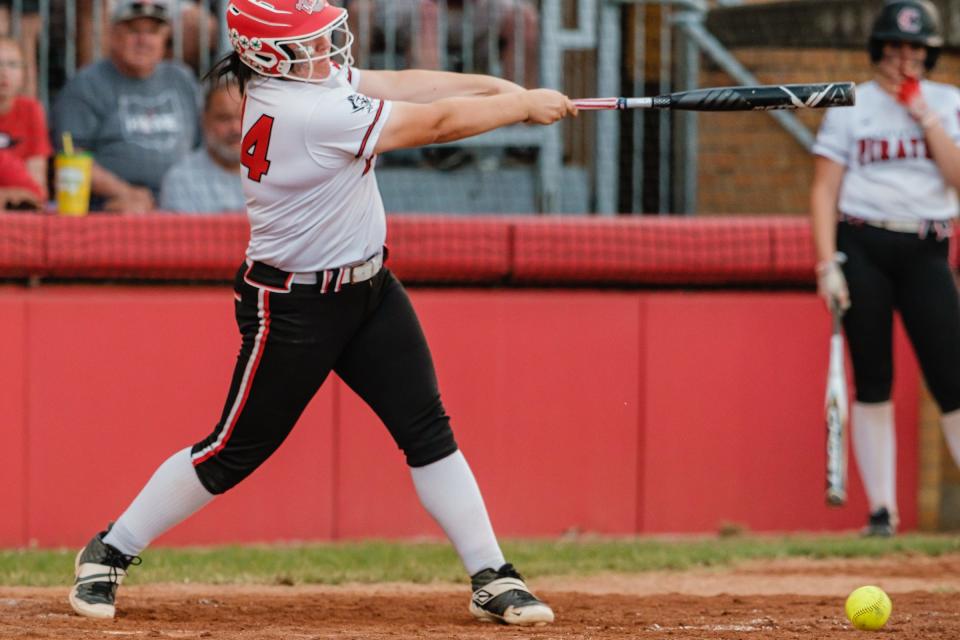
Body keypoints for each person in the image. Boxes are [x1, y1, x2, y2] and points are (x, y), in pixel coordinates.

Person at [68, 0, 575, 626]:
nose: (330, 52)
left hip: (369, 290)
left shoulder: (308, 82)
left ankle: (492, 575)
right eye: (313, 43)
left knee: (427, 431)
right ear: (274, 56)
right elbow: (436, 123)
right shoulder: (305, 109)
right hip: (294, 304)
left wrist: (503, 88)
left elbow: (404, 84)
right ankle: (109, 551)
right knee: (232, 450)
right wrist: (521, 108)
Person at [810, 0, 960, 537]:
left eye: (915, 49)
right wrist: (827, 261)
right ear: (879, 50)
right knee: (873, 377)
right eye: (894, 48)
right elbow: (825, 188)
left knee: (952, 377)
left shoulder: (948, 102)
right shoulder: (853, 103)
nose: (904, 59)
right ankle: (881, 512)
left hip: (926, 246)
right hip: (863, 245)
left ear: (929, 53)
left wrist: (923, 112)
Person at [51, 0, 202, 212]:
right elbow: (72, 154)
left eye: (153, 32)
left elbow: (203, 145)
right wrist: (124, 192)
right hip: (112, 202)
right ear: (112, 35)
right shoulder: (86, 84)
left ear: (165, 37)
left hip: (185, 197)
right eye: (133, 31)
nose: (144, 40)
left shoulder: (182, 78)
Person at [349, 0, 538, 87]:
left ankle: (521, 130)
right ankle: (433, 136)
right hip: (415, 10)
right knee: (427, 14)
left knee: (525, 18)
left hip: (476, 13)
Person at [159, 80, 244, 213]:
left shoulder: (280, 173)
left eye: (244, 117)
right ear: (204, 120)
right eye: (224, 118)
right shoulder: (182, 178)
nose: (236, 129)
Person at [0, 36, 50, 201]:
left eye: (13, 65)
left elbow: (38, 188)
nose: (4, 72)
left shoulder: (31, 110)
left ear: (24, 73)